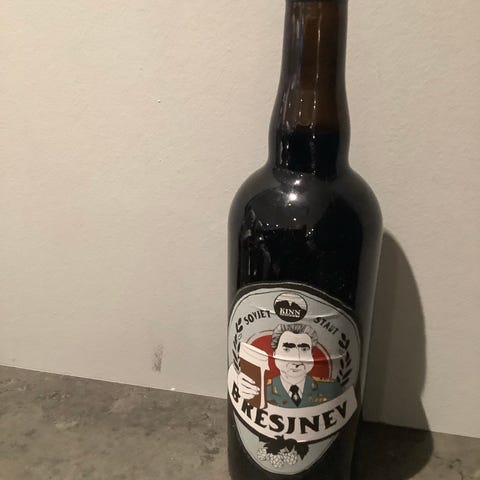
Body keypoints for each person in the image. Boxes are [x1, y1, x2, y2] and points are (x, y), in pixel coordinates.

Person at [238, 324, 342, 408]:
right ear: (274, 354)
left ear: (312, 355)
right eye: (287, 349)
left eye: (304, 349)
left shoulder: (331, 388)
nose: (297, 360)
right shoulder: (259, 390)